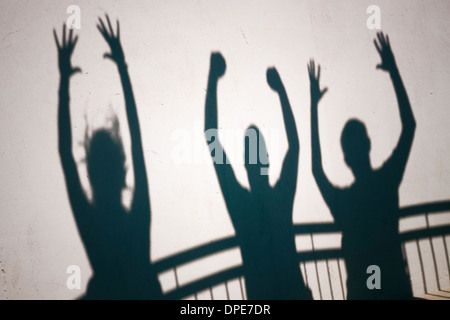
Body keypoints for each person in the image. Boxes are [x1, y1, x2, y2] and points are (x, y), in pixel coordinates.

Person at [55, 16, 162, 299]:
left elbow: (65, 156)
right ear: (122, 167)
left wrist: (63, 83)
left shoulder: (91, 225)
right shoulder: (138, 217)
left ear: (89, 171)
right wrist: (123, 70)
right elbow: (138, 142)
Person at [309, 32, 415, 299]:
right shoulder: (387, 180)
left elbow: (316, 170)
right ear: (368, 144)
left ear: (345, 159)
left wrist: (312, 107)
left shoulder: (343, 201)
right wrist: (394, 72)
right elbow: (409, 126)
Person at [204, 52, 312, 299]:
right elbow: (295, 145)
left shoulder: (240, 202)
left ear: (244, 163)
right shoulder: (281, 195)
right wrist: (281, 90)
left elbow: (211, 136)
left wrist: (213, 78)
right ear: (267, 159)